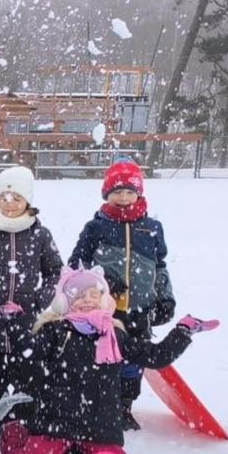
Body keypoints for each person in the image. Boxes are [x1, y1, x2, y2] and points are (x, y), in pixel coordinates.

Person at [1, 268, 215, 454]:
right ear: (66, 301)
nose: (87, 300)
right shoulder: (56, 330)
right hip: (57, 422)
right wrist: (16, 321)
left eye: (93, 295)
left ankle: (77, 452)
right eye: (79, 296)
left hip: (99, 425)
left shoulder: (115, 335)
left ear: (103, 300)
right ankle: (16, 432)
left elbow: (156, 356)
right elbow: (27, 355)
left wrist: (183, 331)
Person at [67, 159, 174, 430]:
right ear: (106, 193)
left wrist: (165, 297)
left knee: (133, 362)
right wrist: (102, 277)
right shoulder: (97, 227)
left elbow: (160, 266)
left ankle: (125, 405)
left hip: (141, 308)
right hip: (105, 311)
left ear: (139, 193)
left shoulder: (151, 228)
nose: (123, 197)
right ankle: (102, 404)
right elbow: (77, 265)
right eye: (117, 191)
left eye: (129, 191)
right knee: (106, 357)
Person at [0, 166, 62, 407]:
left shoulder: (40, 234)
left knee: (25, 378)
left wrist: (40, 300)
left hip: (26, 323)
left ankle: (20, 422)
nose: (9, 203)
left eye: (17, 198)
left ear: (27, 201)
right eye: (4, 197)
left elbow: (56, 271)